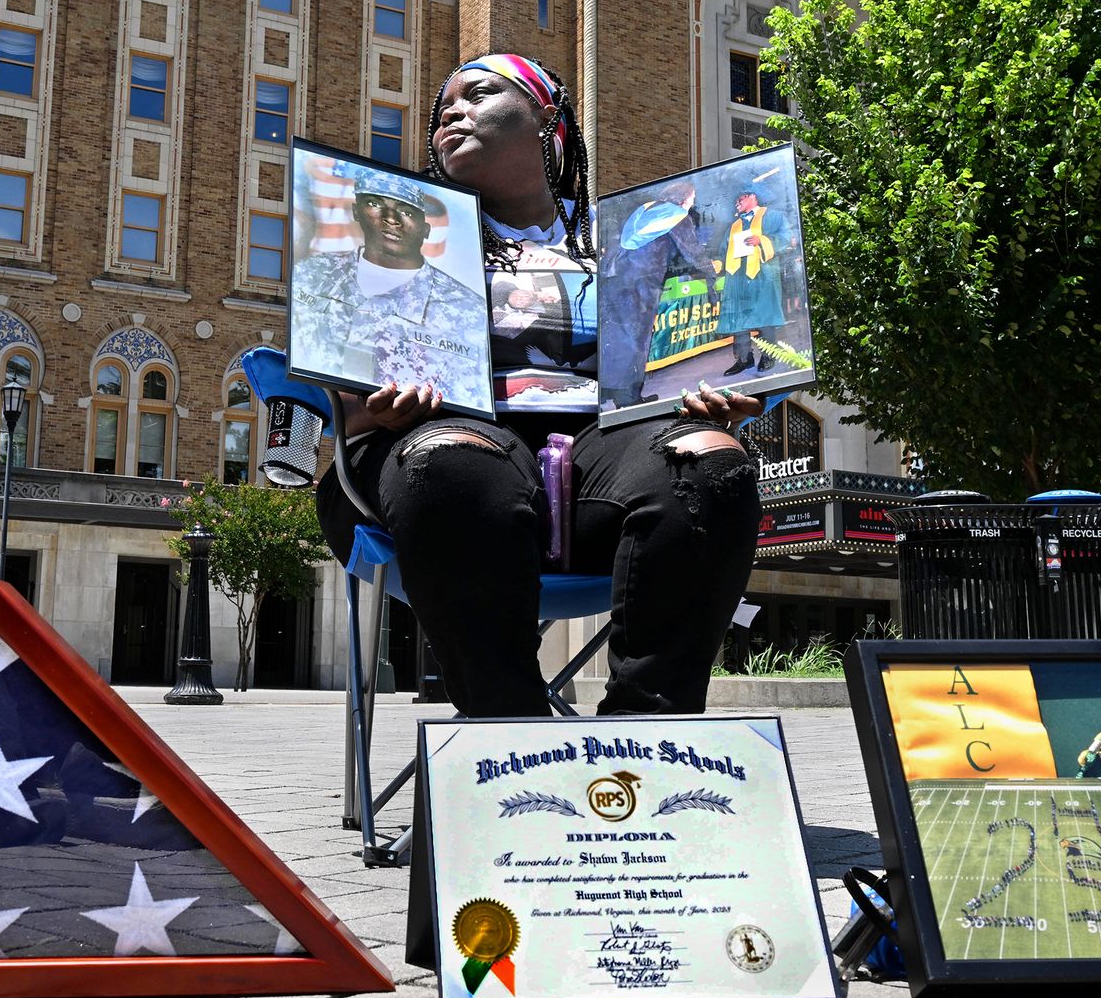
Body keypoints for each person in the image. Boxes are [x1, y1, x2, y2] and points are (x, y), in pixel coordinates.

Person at [314, 53, 765, 717]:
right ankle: (508, 729)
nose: (451, 112)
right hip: (433, 466)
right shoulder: (392, 232)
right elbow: (339, 397)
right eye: (443, 109)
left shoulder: (635, 240)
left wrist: (713, 388)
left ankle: (647, 736)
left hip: (603, 461)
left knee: (711, 465)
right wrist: (369, 414)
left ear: (546, 118)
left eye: (479, 94)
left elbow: (704, 358)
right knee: (455, 460)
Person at [290, 168, 491, 411]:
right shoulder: (310, 273)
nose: (391, 218)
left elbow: (472, 402)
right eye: (374, 203)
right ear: (356, 211)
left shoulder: (467, 308)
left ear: (426, 229)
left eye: (406, 211)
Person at [600, 180, 716, 409]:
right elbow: (692, 250)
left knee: (613, 335)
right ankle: (630, 397)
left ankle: (607, 390)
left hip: (613, 276)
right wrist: (711, 272)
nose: (693, 203)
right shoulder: (677, 216)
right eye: (692, 198)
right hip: (641, 283)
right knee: (637, 339)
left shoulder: (646, 208)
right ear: (683, 198)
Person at [715, 187, 797, 376]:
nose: (737, 200)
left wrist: (762, 240)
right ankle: (745, 359)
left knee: (765, 316)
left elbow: (787, 238)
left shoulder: (773, 216)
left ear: (753, 196)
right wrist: (716, 263)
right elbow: (723, 251)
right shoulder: (733, 225)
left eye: (740, 196)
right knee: (739, 318)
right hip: (737, 277)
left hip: (763, 274)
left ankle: (769, 355)